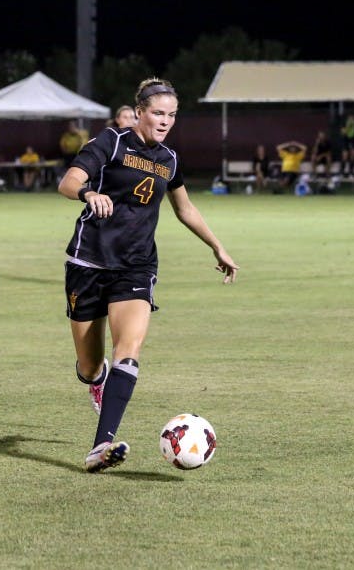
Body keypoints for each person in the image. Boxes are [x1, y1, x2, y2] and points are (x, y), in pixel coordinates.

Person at [58, 79, 238, 473]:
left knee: (129, 351)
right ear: (139, 110)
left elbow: (185, 208)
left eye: (172, 115)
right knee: (89, 366)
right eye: (158, 113)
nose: (165, 121)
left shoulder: (169, 159)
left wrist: (216, 245)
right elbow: (68, 181)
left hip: (136, 266)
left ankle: (99, 447)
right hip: (88, 263)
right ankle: (96, 379)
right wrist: (89, 193)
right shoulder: (111, 142)